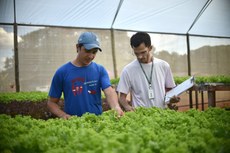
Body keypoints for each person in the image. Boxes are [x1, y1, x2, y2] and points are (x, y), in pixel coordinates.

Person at [48, 32, 124, 119]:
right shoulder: (62, 72)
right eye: (87, 51)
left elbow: (109, 91)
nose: (91, 56)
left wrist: (116, 107)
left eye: (94, 52)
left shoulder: (100, 70)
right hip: (73, 124)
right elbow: (51, 102)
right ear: (78, 47)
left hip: (97, 122)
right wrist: (63, 115)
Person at [116, 32, 180, 111]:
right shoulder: (128, 70)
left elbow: (170, 90)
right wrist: (127, 107)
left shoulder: (164, 65)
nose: (140, 56)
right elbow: (122, 97)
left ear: (150, 48)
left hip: (162, 113)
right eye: (136, 53)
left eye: (143, 52)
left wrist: (171, 100)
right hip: (140, 115)